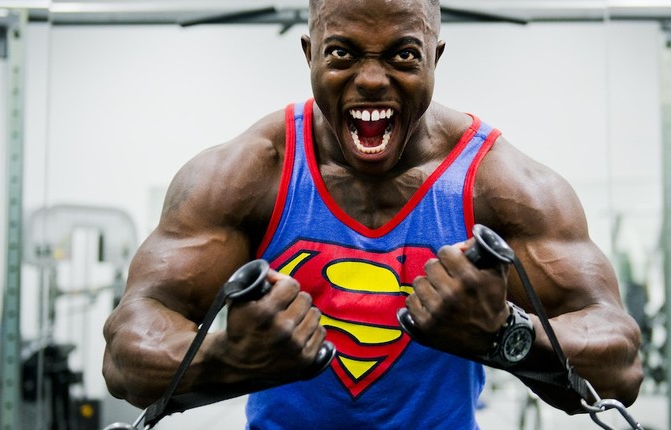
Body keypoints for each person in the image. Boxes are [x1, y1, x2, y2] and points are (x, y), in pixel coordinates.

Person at [102, 0, 643, 428]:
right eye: (342, 54)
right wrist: (229, 359)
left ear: (436, 57)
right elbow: (127, 354)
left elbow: (620, 362)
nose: (371, 80)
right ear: (309, 54)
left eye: (402, 55)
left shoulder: (502, 184)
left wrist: (504, 334)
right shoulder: (247, 174)